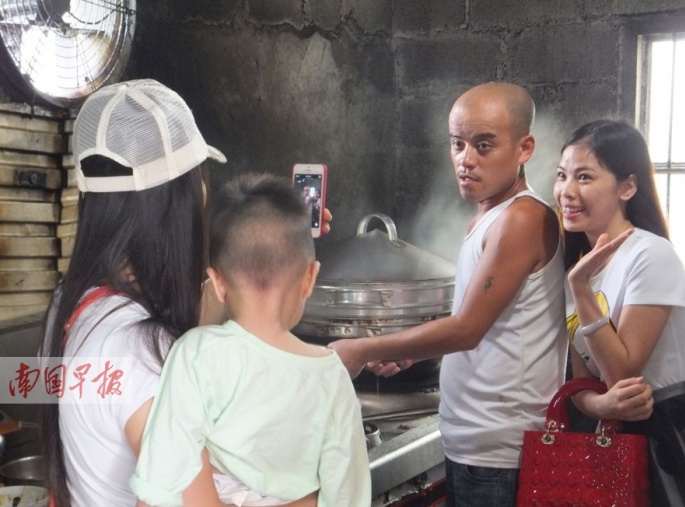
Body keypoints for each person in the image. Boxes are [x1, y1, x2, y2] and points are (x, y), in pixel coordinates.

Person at [39, 79, 322, 507]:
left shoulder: (73, 301)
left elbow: (193, 314)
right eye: (199, 181)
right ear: (177, 203)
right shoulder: (138, 352)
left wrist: (272, 253)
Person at [329, 82, 568, 506]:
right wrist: (414, 353)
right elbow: (483, 321)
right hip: (473, 442)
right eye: (457, 144)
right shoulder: (489, 216)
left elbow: (467, 329)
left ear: (524, 147)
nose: (465, 160)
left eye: (483, 145)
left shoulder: (523, 219)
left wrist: (361, 349)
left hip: (500, 451)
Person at [131, 173, 370, 507]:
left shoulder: (196, 356)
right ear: (309, 278)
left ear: (217, 282)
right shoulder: (331, 378)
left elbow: (157, 490)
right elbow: (347, 497)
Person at [554, 119, 685, 506]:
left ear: (627, 187)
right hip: (607, 430)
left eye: (584, 177)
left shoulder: (650, 255)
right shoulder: (576, 262)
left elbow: (623, 371)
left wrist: (581, 290)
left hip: (663, 439)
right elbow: (582, 378)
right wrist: (597, 405)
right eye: (562, 175)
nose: (567, 191)